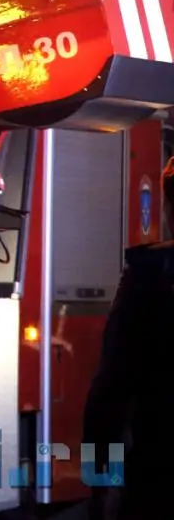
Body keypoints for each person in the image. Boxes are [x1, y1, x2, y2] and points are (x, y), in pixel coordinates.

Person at [82, 157, 174, 519]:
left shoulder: (150, 273)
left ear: (168, 208)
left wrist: (99, 478)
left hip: (159, 475)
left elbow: (112, 388)